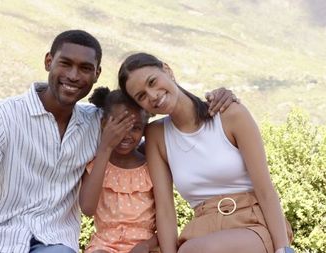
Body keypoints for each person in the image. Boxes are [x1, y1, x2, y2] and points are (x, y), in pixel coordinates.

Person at [0, 30, 237, 253]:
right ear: (48, 61)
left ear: (96, 75)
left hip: (55, 242)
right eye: (65, 64)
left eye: (85, 68)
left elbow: (151, 121)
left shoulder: (96, 121)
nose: (73, 75)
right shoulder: (4, 117)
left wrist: (218, 97)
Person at [118, 52, 294, 253]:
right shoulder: (156, 135)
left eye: (152, 82)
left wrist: (283, 248)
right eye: (141, 96)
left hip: (253, 224)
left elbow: (265, 189)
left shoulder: (229, 114)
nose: (153, 95)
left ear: (167, 71)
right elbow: (165, 210)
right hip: (201, 230)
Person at [79, 87, 158, 253]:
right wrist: (105, 148)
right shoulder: (97, 164)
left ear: (144, 128)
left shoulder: (151, 168)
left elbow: (165, 220)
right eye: (119, 125)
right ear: (104, 124)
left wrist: (146, 245)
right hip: (104, 245)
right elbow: (87, 208)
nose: (126, 135)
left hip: (145, 246)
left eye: (135, 127)